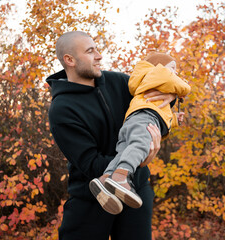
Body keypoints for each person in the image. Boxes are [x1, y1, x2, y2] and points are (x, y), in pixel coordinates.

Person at [46, 31, 176, 240]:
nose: (99, 56)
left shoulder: (118, 81)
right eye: (90, 51)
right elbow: (91, 163)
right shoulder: (62, 109)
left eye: (97, 49)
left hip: (136, 192)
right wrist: (137, 162)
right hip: (92, 197)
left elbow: (150, 102)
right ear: (69, 60)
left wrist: (170, 96)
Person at [89, 52, 191, 215]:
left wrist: (175, 119)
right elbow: (181, 86)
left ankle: (105, 178)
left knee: (123, 153)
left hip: (137, 120)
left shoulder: (153, 82)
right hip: (145, 118)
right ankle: (122, 176)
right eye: (173, 68)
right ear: (159, 66)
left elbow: (161, 112)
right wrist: (182, 91)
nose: (176, 72)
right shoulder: (157, 74)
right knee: (140, 145)